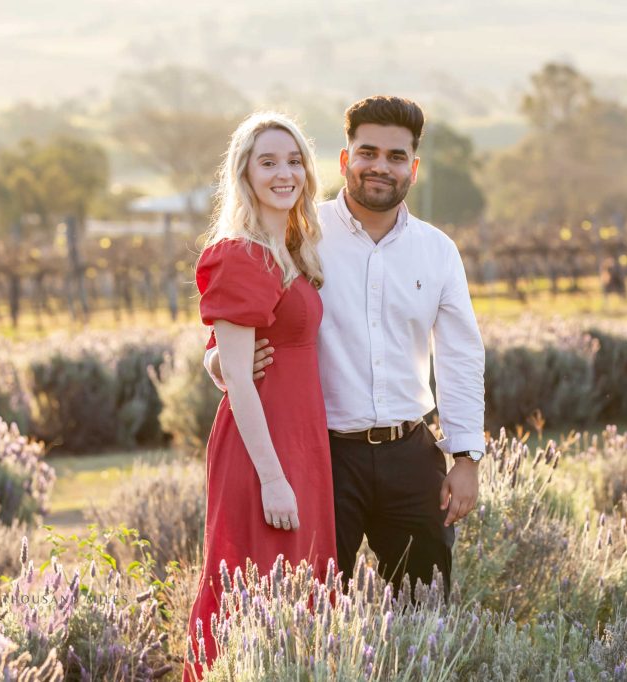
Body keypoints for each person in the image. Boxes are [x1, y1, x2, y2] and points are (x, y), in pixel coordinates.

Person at [205, 96, 485, 600]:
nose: (381, 166)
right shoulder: (301, 233)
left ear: (413, 168)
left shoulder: (438, 251)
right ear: (344, 160)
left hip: (411, 455)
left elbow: (461, 357)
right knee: (312, 607)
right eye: (368, 152)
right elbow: (246, 304)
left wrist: (466, 457)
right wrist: (218, 360)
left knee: (427, 608)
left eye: (396, 156)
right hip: (325, 457)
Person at [183, 112, 336, 682]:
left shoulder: (295, 249)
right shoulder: (240, 254)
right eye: (268, 161)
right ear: (243, 173)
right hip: (263, 450)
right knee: (257, 586)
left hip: (304, 442)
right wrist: (273, 476)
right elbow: (240, 378)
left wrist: (217, 359)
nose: (284, 173)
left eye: (294, 160)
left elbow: (229, 355)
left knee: (301, 591)